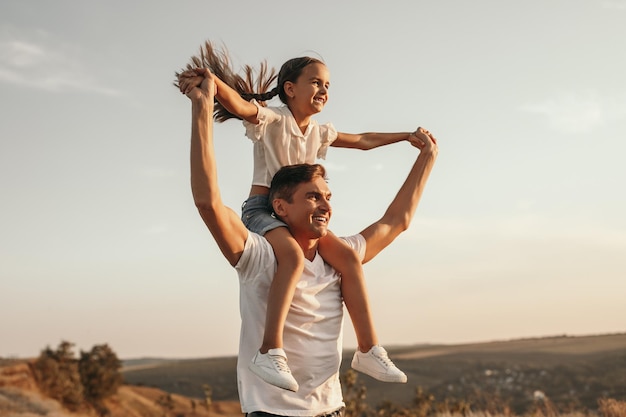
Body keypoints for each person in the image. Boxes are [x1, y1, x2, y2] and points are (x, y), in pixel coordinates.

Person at [184, 70, 438, 416]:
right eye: (313, 197)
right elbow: (210, 202)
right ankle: (270, 351)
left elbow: (396, 220)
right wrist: (206, 97)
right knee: (289, 255)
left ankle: (368, 351)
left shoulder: (335, 256)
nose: (326, 205)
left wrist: (423, 154)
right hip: (272, 412)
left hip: (331, 409)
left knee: (348, 257)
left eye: (327, 197)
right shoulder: (262, 256)